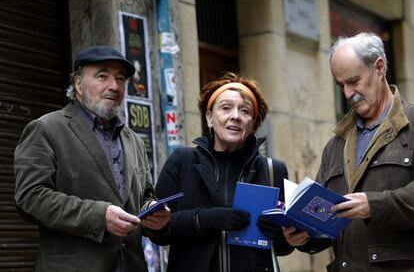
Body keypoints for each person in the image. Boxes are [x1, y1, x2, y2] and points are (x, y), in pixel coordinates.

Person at [14, 45, 170, 272]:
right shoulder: (46, 129)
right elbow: (30, 197)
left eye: (119, 79)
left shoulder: (133, 140)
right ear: (78, 84)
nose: (114, 86)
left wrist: (153, 213)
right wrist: (99, 217)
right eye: (102, 76)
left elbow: (142, 197)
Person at [284, 32, 414, 271]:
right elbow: (323, 215)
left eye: (353, 81)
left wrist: (373, 205)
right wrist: (304, 237)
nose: (346, 93)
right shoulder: (336, 144)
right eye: (340, 84)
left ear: (380, 67)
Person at [151, 72, 294, 272]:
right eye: (226, 108)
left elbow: (283, 246)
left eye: (245, 111)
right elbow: (157, 231)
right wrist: (207, 219)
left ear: (252, 123)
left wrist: (281, 236)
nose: (235, 116)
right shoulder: (182, 161)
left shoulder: (273, 170)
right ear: (209, 118)